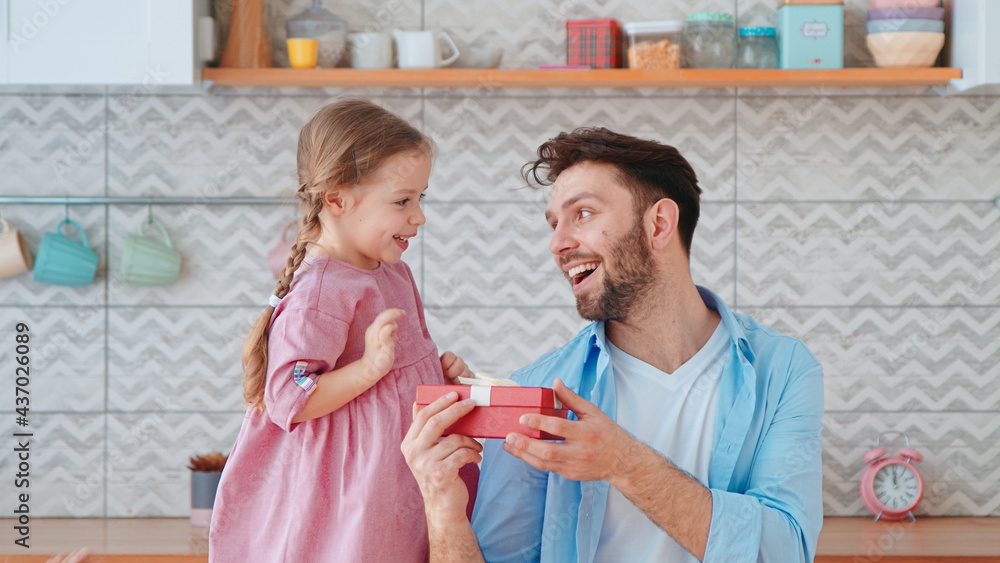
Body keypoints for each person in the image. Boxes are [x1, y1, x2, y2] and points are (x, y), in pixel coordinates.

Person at [402, 127, 824, 563]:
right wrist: (443, 510)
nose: (557, 244)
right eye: (554, 223)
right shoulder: (537, 391)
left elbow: (785, 550)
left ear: (659, 224)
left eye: (582, 213)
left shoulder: (781, 369)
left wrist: (624, 463)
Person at [209, 98, 478, 562]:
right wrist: (372, 368)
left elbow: (400, 374)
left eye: (420, 198)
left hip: (393, 480)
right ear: (337, 198)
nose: (419, 216)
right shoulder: (320, 290)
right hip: (348, 492)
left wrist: (435, 377)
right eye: (402, 201)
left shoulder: (392, 273)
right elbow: (290, 395)